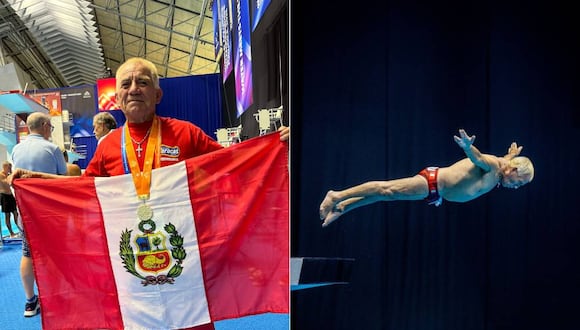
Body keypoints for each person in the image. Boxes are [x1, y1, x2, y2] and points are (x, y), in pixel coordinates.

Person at [8, 57, 289, 328]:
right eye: (126, 84)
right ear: (117, 98)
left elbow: (232, 164)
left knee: (192, 321)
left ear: (157, 94)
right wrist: (37, 179)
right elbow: (83, 190)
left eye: (142, 82)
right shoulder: (108, 146)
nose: (133, 89)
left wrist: (273, 147)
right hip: (131, 264)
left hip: (185, 260)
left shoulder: (185, 133)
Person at [319, 129, 534, 227]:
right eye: (518, 182)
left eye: (519, 186)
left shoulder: (502, 168)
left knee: (386, 196)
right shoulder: (494, 166)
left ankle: (343, 207)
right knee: (386, 190)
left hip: (436, 193)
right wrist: (469, 147)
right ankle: (336, 195)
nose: (515, 187)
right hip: (433, 181)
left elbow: (504, 161)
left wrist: (511, 155)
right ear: (513, 170)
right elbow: (478, 158)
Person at [10, 112, 68, 317]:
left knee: (27, 254)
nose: (50, 131)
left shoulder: (16, 149)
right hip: (51, 214)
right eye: (50, 127)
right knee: (56, 254)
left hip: (26, 213)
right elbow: (64, 181)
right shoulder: (52, 149)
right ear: (44, 125)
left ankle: (29, 301)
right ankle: (57, 297)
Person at [0, 161, 22, 238]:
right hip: (4, 197)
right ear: (5, 167)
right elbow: (8, 183)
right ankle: (11, 233)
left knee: (16, 214)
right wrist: (12, 174)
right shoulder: (1, 175)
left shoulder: (8, 175)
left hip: (10, 196)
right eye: (9, 168)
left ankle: (20, 231)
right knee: (7, 215)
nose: (10, 169)